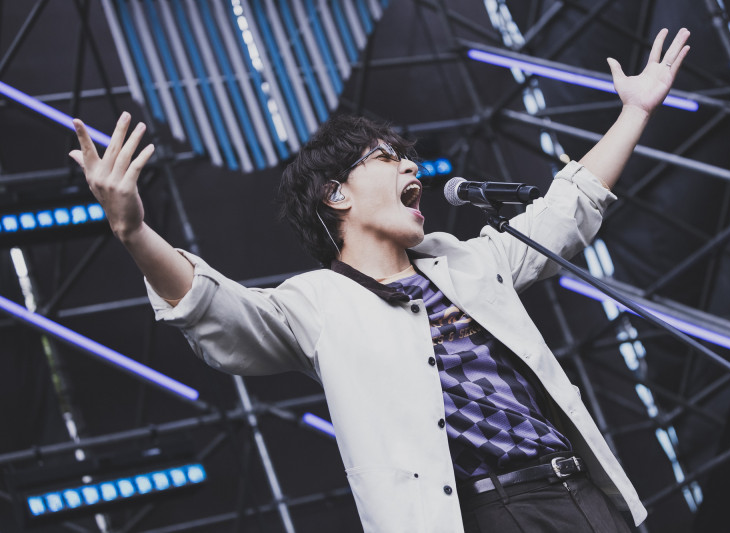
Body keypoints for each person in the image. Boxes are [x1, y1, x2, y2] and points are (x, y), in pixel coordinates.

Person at [70, 28, 690, 533]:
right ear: (336, 194)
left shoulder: (469, 262)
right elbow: (216, 309)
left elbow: (568, 208)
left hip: (579, 494)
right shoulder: (318, 303)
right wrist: (133, 231)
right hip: (476, 514)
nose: (412, 166)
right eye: (388, 158)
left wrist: (635, 111)